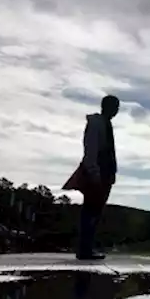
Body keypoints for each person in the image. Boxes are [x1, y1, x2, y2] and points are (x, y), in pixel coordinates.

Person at [62, 95, 120, 261]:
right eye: (114, 107)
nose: (116, 111)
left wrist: (112, 173)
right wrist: (94, 172)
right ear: (106, 106)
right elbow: (91, 149)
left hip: (105, 173)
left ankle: (87, 247)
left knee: (95, 212)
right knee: (90, 212)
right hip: (97, 173)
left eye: (117, 107)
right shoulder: (96, 124)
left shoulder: (107, 124)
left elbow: (110, 151)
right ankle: (84, 249)